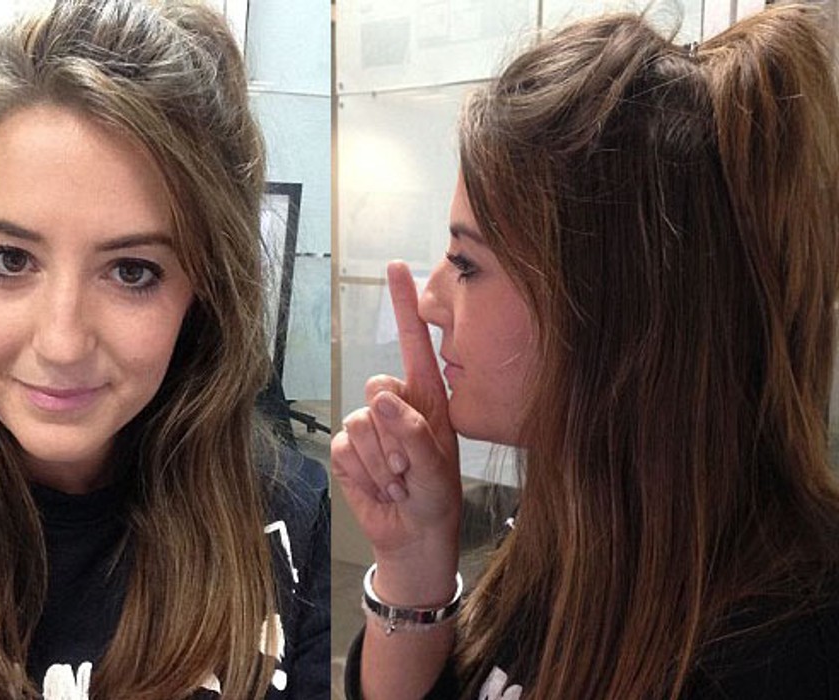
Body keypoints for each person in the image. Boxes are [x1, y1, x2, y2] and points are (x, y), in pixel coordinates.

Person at [0, 1, 329, 698]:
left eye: (132, 272)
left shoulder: (298, 527)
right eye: (10, 259)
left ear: (202, 290)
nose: (61, 344)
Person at [333, 4, 839, 699]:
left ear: (612, 304)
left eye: (467, 263)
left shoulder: (785, 652)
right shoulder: (574, 538)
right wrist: (415, 555)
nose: (430, 301)